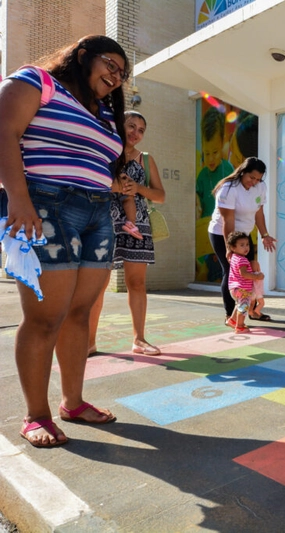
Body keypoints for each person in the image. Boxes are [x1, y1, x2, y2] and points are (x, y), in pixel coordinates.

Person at [0, 35, 129, 447]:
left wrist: (116, 184)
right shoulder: (39, 82)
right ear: (83, 56)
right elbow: (4, 132)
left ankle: (73, 403)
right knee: (44, 318)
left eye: (122, 73)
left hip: (97, 212)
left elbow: (93, 161)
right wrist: (18, 199)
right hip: (44, 205)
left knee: (79, 314)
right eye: (111, 65)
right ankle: (36, 415)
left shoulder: (104, 113)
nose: (116, 77)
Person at [89, 110, 166, 356]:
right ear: (119, 125)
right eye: (131, 126)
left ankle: (139, 340)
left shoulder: (146, 159)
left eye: (141, 130)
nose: (136, 133)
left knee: (137, 283)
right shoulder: (104, 150)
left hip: (138, 226)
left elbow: (160, 196)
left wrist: (138, 188)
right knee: (98, 284)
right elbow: (89, 181)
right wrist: (118, 186)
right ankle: (89, 342)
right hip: (103, 222)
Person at [208, 157, 276, 324]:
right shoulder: (228, 188)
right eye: (251, 177)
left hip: (244, 234)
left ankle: (252, 310)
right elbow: (228, 221)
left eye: (258, 179)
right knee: (232, 271)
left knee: (252, 269)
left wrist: (264, 235)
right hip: (223, 234)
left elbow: (258, 213)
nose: (254, 182)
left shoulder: (260, 187)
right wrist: (229, 248)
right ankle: (230, 315)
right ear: (242, 172)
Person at [196, 106, 235, 219]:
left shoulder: (228, 169)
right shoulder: (202, 176)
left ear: (222, 143)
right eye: (207, 153)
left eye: (215, 152)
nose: (211, 159)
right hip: (206, 224)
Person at [226, 231, 264, 334]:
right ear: (233, 248)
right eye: (242, 245)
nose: (246, 247)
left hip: (234, 288)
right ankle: (240, 326)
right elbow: (244, 274)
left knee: (239, 304)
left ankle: (232, 320)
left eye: (247, 244)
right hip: (242, 289)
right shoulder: (242, 260)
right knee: (243, 308)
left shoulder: (234, 257)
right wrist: (257, 276)